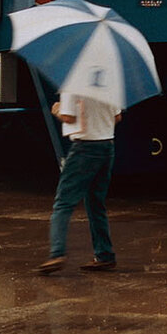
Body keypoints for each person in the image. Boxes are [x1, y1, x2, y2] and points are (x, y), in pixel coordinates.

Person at [37, 91, 121, 274]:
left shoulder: (74, 83)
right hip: (107, 146)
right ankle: (104, 255)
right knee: (95, 203)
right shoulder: (108, 83)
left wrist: (56, 109)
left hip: (84, 148)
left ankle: (57, 253)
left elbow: (67, 116)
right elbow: (117, 116)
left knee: (63, 203)